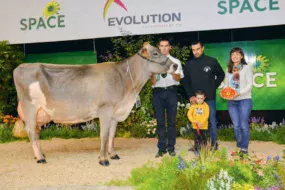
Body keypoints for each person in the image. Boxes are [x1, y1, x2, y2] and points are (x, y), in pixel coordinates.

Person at [183, 41, 225, 150]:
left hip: (209, 98)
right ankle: (198, 145)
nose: (196, 52)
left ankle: (213, 144)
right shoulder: (189, 65)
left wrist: (213, 86)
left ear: (202, 48)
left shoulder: (212, 61)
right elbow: (185, 81)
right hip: (195, 100)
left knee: (211, 121)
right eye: (193, 50)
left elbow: (221, 74)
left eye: (198, 49)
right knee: (196, 122)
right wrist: (191, 95)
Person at [150, 38, 184, 157]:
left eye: (166, 46)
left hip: (171, 92)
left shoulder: (175, 61)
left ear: (170, 47)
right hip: (158, 93)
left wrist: (171, 71)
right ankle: (161, 148)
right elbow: (153, 83)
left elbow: (179, 78)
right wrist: (154, 73)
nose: (164, 48)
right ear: (158, 47)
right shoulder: (153, 62)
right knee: (160, 122)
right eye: (161, 46)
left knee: (171, 122)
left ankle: (171, 148)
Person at [223, 47, 253, 155]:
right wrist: (225, 92)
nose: (235, 56)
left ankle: (244, 148)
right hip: (232, 101)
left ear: (241, 56)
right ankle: (239, 144)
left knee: (243, 124)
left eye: (237, 54)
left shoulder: (246, 68)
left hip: (244, 99)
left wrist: (239, 93)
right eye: (232, 54)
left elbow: (250, 85)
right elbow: (226, 84)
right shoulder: (228, 69)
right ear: (231, 57)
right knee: (236, 125)